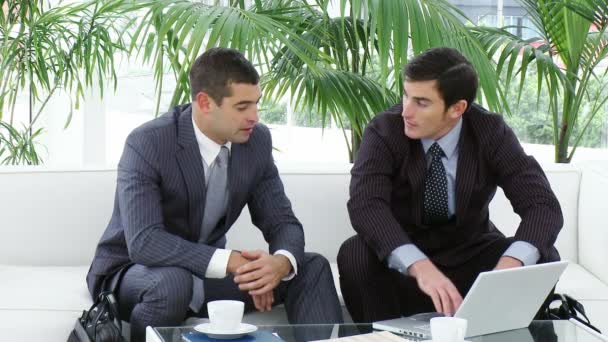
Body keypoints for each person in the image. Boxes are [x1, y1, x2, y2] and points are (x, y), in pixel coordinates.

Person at [86, 47, 343, 342]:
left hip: (205, 274)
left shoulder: (255, 142)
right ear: (205, 103)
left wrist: (277, 264)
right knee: (172, 284)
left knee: (310, 266)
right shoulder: (148, 143)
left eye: (256, 104)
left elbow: (282, 221)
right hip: (136, 273)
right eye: (242, 106)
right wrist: (231, 260)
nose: (255, 117)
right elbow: (145, 242)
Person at [337, 47, 563, 323]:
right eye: (406, 95)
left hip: (471, 258)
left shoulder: (489, 131)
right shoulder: (385, 131)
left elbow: (542, 205)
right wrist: (418, 265)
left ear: (457, 108)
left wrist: (509, 267)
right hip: (405, 269)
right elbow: (366, 205)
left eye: (421, 102)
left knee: (542, 256)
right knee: (355, 254)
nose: (406, 111)